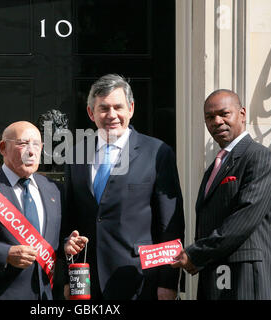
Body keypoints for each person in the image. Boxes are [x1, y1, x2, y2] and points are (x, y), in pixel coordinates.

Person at [64, 74, 185, 300]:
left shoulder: (157, 153)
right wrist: (66, 277)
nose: (112, 115)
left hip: (138, 280)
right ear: (91, 113)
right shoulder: (76, 154)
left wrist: (168, 283)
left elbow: (171, 225)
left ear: (130, 108)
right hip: (85, 281)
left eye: (118, 107)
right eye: (103, 108)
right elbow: (70, 219)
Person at [172, 89, 271, 300]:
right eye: (209, 117)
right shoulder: (215, 168)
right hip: (215, 277)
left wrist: (195, 254)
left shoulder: (260, 157)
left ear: (242, 114)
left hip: (245, 278)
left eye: (224, 113)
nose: (216, 121)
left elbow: (245, 217)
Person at [0, 121, 63, 300]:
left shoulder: (54, 190)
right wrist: (5, 254)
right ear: (3, 148)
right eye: (23, 144)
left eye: (37, 144)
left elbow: (56, 241)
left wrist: (68, 243)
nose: (31, 151)